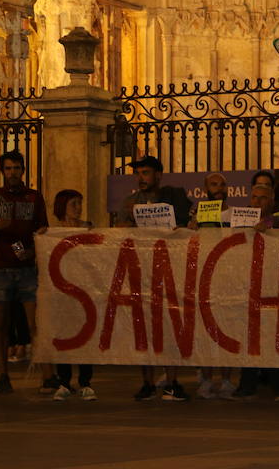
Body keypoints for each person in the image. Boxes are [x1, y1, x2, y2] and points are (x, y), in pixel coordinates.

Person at [0, 150, 51, 394]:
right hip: (1, 268)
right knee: (1, 324)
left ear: (23, 170)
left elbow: (43, 229)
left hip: (26, 268)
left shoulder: (34, 198)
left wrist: (34, 252)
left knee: (36, 323)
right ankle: (3, 374)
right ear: (2, 171)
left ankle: (47, 375)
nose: (12, 173)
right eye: (8, 168)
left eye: (16, 168)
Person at [115, 155, 193, 402]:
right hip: (141, 271)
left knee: (170, 325)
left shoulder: (173, 197)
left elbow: (186, 226)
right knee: (143, 328)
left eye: (145, 173)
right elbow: (118, 231)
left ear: (158, 175)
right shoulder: (130, 202)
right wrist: (126, 223)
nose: (141, 178)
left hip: (169, 269)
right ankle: (147, 382)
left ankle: (171, 381)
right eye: (138, 173)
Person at [229, 183, 279, 402]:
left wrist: (271, 233)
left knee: (274, 337)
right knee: (248, 337)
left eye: (262, 198)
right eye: (254, 197)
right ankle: (247, 384)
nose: (257, 202)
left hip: (272, 287)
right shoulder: (239, 221)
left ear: (272, 201)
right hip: (246, 286)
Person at [189, 172, 236, 400]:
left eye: (222, 184)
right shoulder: (197, 213)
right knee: (205, 330)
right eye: (214, 184)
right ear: (205, 189)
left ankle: (226, 379)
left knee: (226, 327)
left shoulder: (234, 214)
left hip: (227, 277)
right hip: (204, 278)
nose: (219, 188)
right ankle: (207, 379)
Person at [50, 189, 97, 402]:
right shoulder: (52, 232)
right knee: (65, 335)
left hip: (84, 288)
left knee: (86, 335)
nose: (78, 209)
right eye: (73, 204)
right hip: (62, 292)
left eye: (80, 203)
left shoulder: (88, 228)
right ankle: (64, 380)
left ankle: (85, 381)